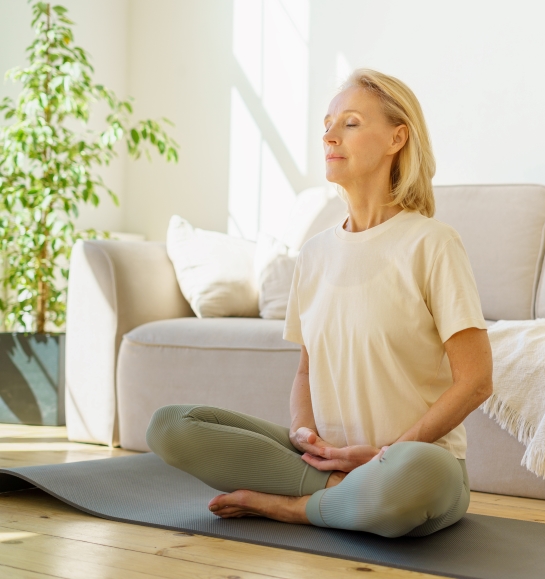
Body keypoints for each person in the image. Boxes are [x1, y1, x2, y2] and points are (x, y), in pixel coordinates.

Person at [146, 68, 493, 538]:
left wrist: (384, 455)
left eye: (349, 123)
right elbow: (308, 370)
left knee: (415, 475)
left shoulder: (432, 243)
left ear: (397, 137)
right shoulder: (313, 253)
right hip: (324, 459)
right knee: (171, 426)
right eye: (327, 124)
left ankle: (295, 507)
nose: (329, 135)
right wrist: (304, 434)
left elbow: (475, 382)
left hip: (415, 464)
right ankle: (338, 492)